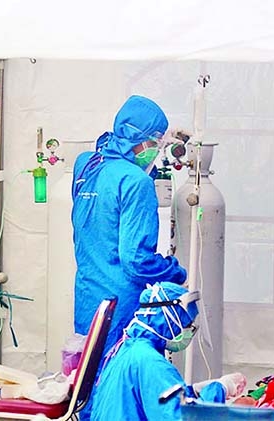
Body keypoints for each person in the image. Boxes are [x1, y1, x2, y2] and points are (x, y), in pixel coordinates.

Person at [72, 95, 188, 357]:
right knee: (120, 384)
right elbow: (136, 261)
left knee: (89, 382)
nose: (157, 150)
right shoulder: (137, 183)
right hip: (122, 307)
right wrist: (175, 272)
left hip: (88, 299)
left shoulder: (86, 165)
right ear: (142, 139)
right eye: (156, 142)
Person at [91, 282, 246, 421]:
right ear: (168, 319)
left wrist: (195, 391)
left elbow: (155, 399)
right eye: (186, 323)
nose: (189, 330)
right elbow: (182, 417)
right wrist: (221, 388)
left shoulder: (126, 349)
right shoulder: (149, 361)